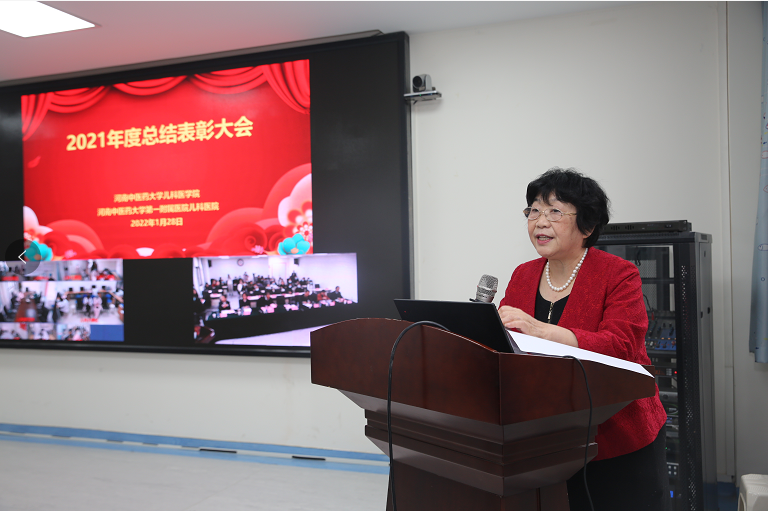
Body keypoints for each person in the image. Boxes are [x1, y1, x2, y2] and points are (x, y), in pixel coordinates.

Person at [498, 167, 668, 511]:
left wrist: (542, 331)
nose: (540, 222)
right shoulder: (523, 275)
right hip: (549, 434)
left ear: (587, 226)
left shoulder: (618, 274)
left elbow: (621, 345)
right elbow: (508, 345)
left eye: (554, 212)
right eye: (534, 210)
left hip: (617, 433)